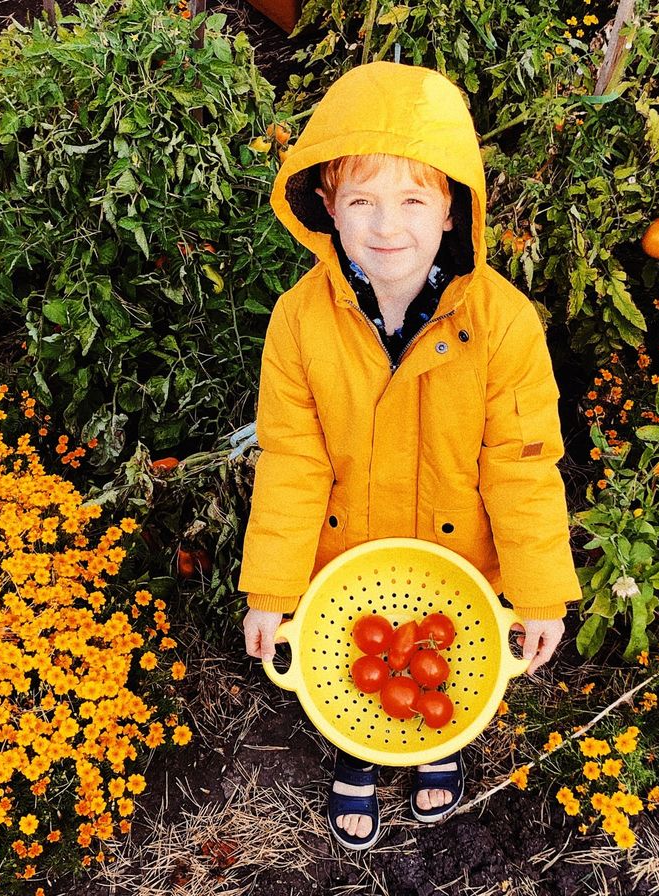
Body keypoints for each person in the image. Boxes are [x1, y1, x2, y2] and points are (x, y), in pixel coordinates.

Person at [238, 62, 580, 850]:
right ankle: (354, 757)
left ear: (454, 204)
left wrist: (538, 590)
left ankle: (441, 749)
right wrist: (271, 588)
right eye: (361, 201)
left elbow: (523, 462)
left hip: (461, 561)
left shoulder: (503, 322)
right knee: (352, 674)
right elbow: (291, 459)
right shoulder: (299, 321)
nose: (386, 226)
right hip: (345, 556)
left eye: (413, 200)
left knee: (446, 676)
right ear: (326, 206)